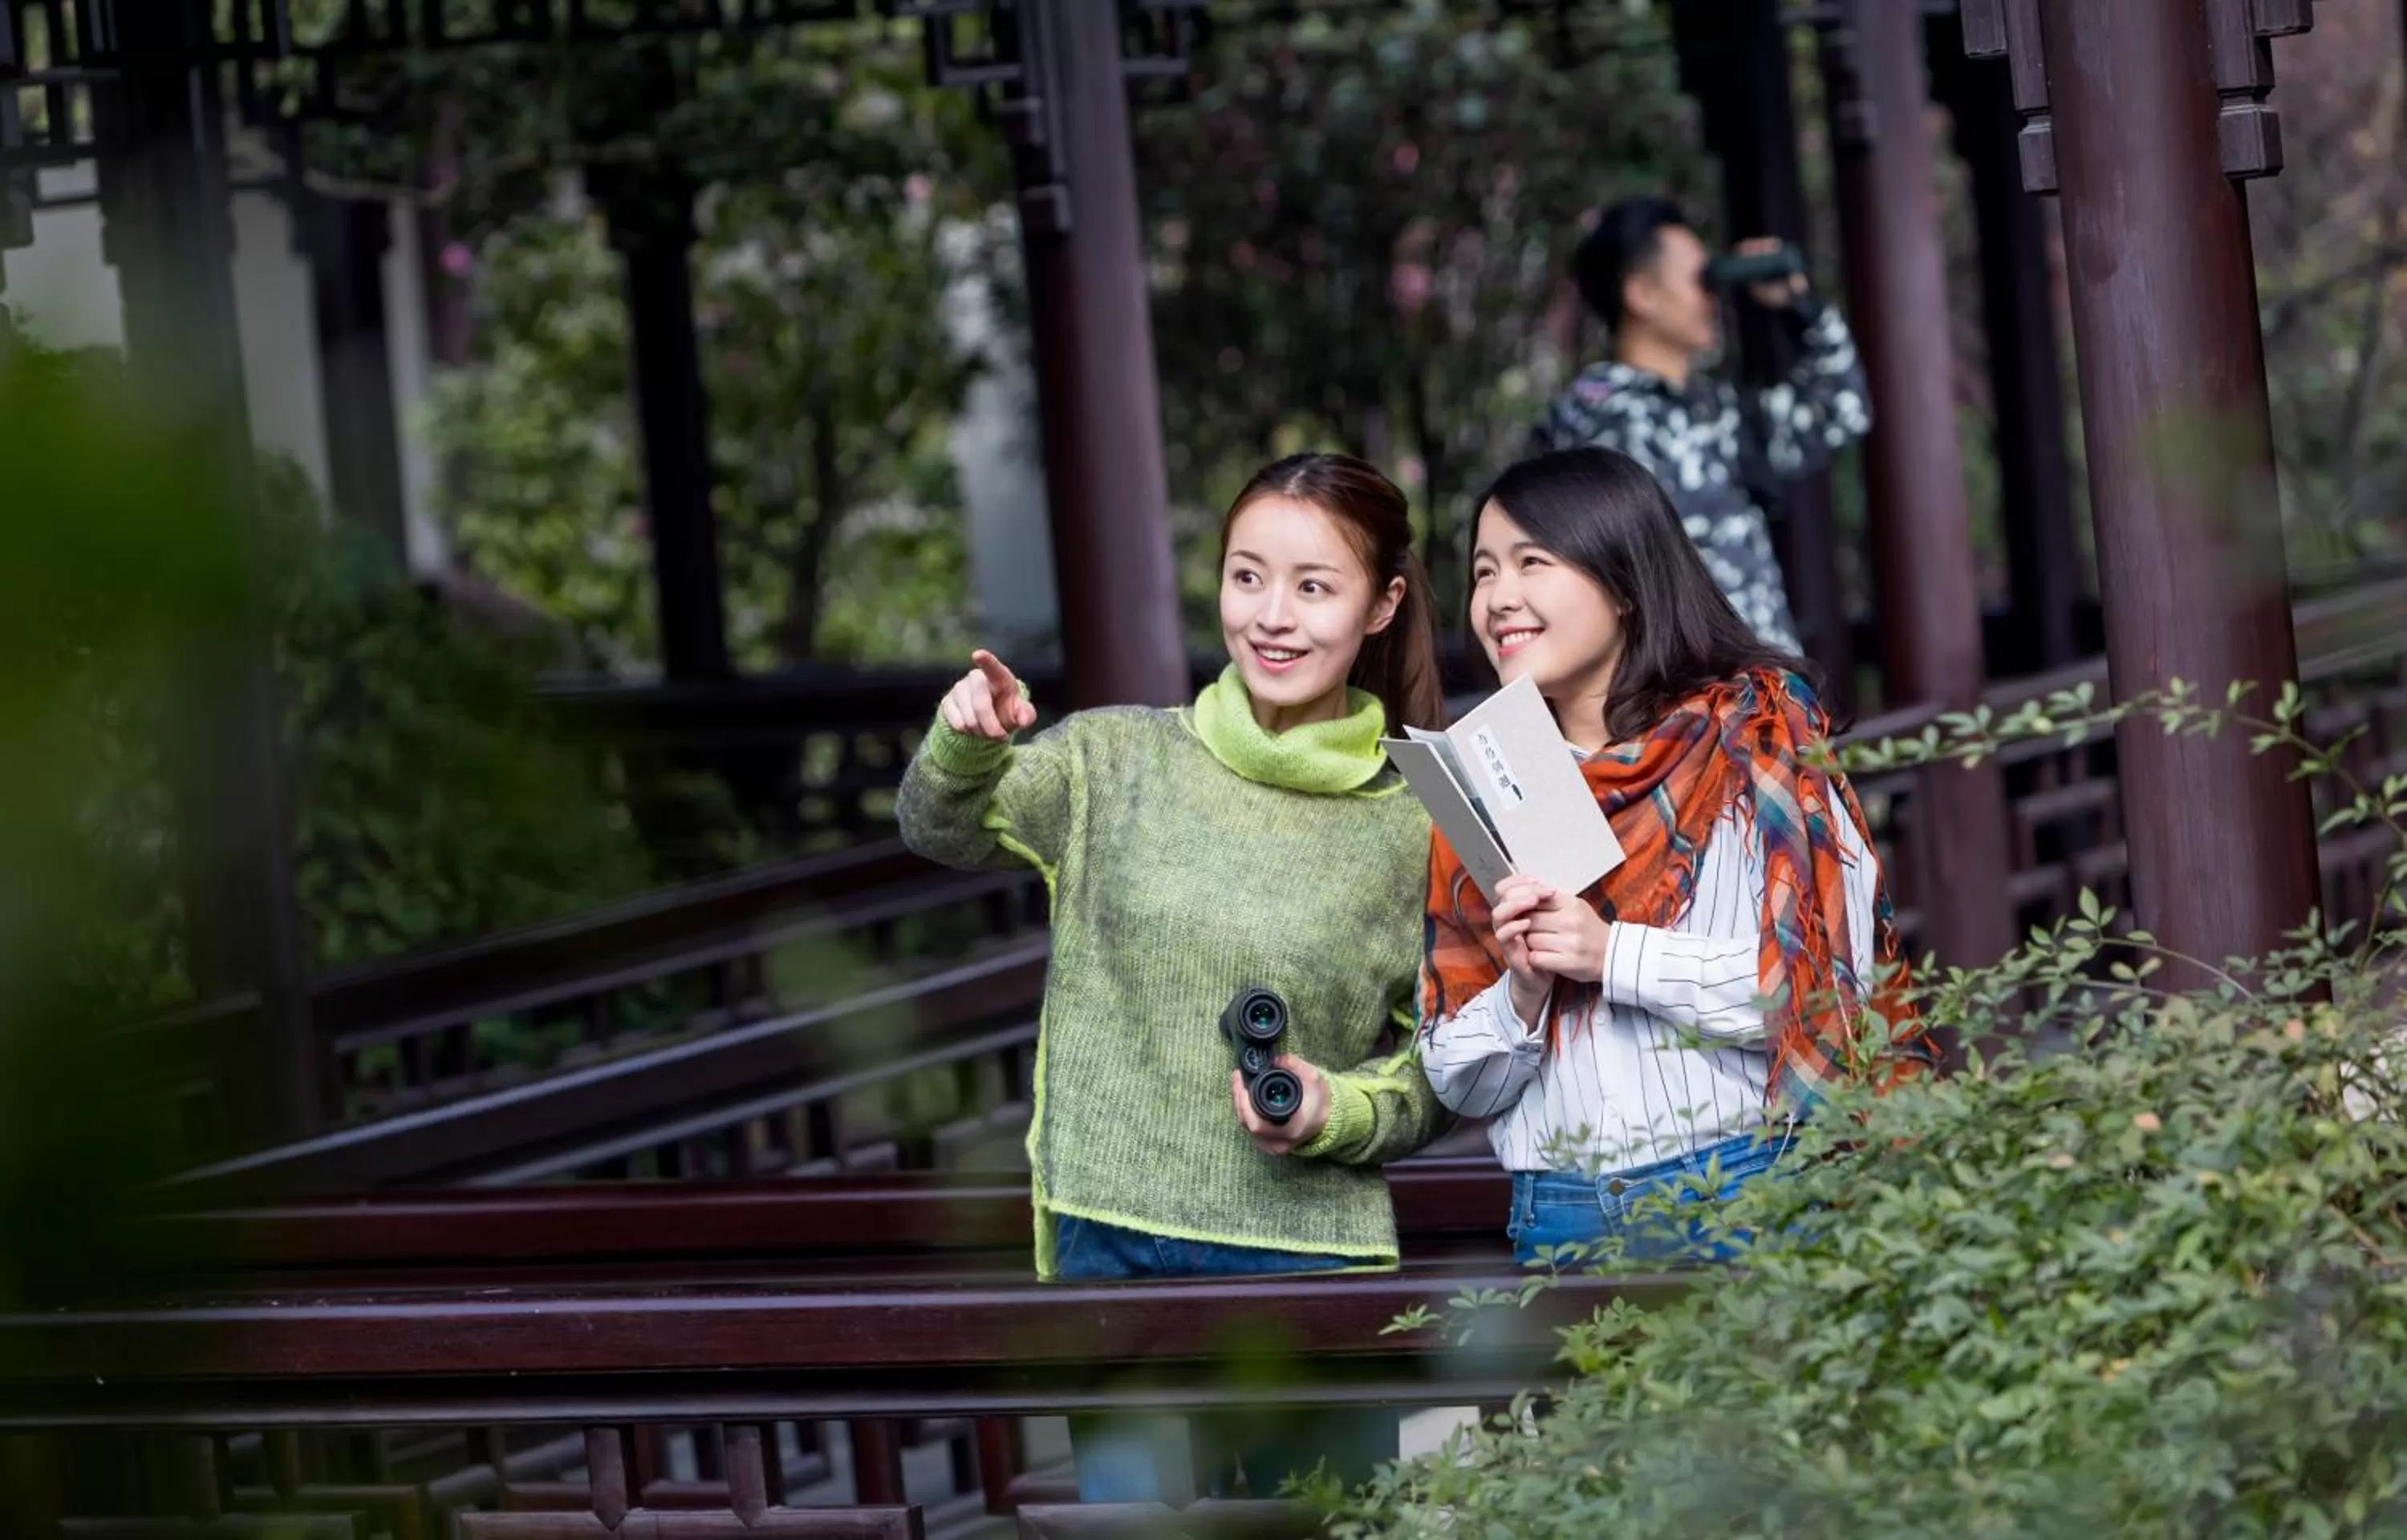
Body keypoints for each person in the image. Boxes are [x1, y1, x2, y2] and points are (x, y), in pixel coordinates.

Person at [895, 452, 1450, 1501]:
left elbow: (1448, 1065)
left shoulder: (1415, 818)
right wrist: (966, 743)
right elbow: (938, 829)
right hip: (1113, 1237)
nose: (1272, 616)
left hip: (1309, 1257)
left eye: (1313, 586)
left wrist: (1337, 1109)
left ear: (1380, 606)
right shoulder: (1112, 760)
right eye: (1248, 577)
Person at [1419, 448, 1927, 1266]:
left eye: (1532, 563)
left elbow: (1824, 987)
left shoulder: (1755, 736)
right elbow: (1453, 1077)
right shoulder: (1483, 780)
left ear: (1623, 583)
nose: (1498, 598)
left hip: (1747, 1189)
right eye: (1483, 573)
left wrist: (1609, 952)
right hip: (1561, 1216)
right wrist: (1523, 988)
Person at [1531, 196, 1872, 654]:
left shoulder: (1716, 411)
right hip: (1691, 708)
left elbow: (1842, 407)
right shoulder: (1595, 426)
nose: (1713, 295)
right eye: (1700, 278)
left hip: (1772, 694)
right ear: (1642, 294)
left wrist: (1798, 305)